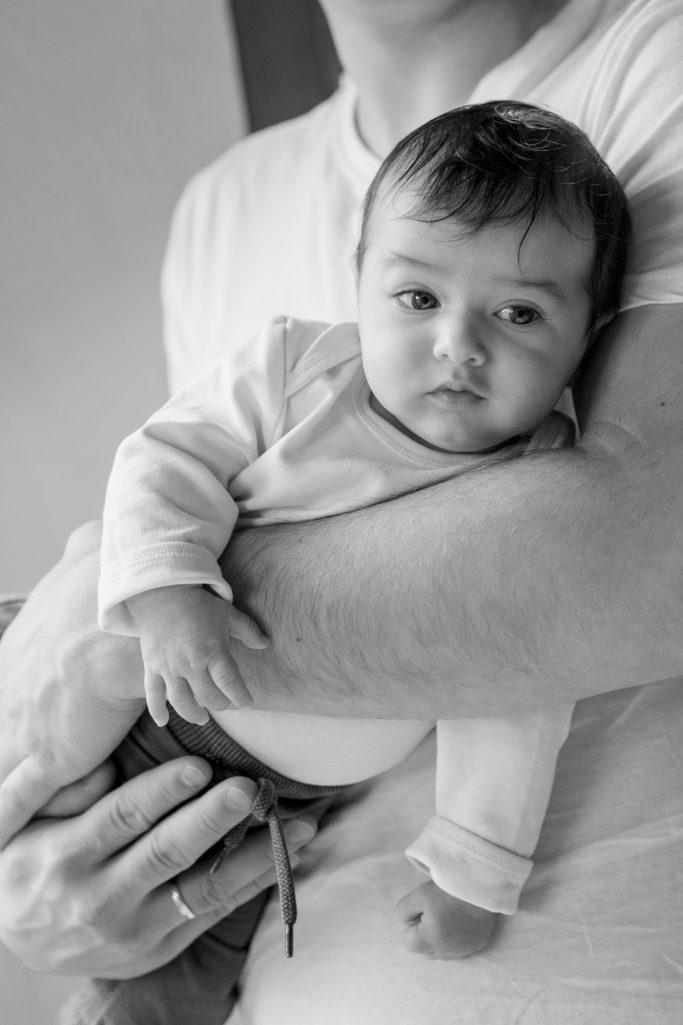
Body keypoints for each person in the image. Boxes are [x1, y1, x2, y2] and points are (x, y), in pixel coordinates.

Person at [0, 2, 681, 1023]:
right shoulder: (260, 283)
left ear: (589, 337)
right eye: (416, 300)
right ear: (356, 283)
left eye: (518, 314)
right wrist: (32, 876)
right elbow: (168, 461)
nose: (458, 346)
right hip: (168, 754)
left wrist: (473, 865)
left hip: (275, 820)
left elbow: (533, 674)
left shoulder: (654, 59)